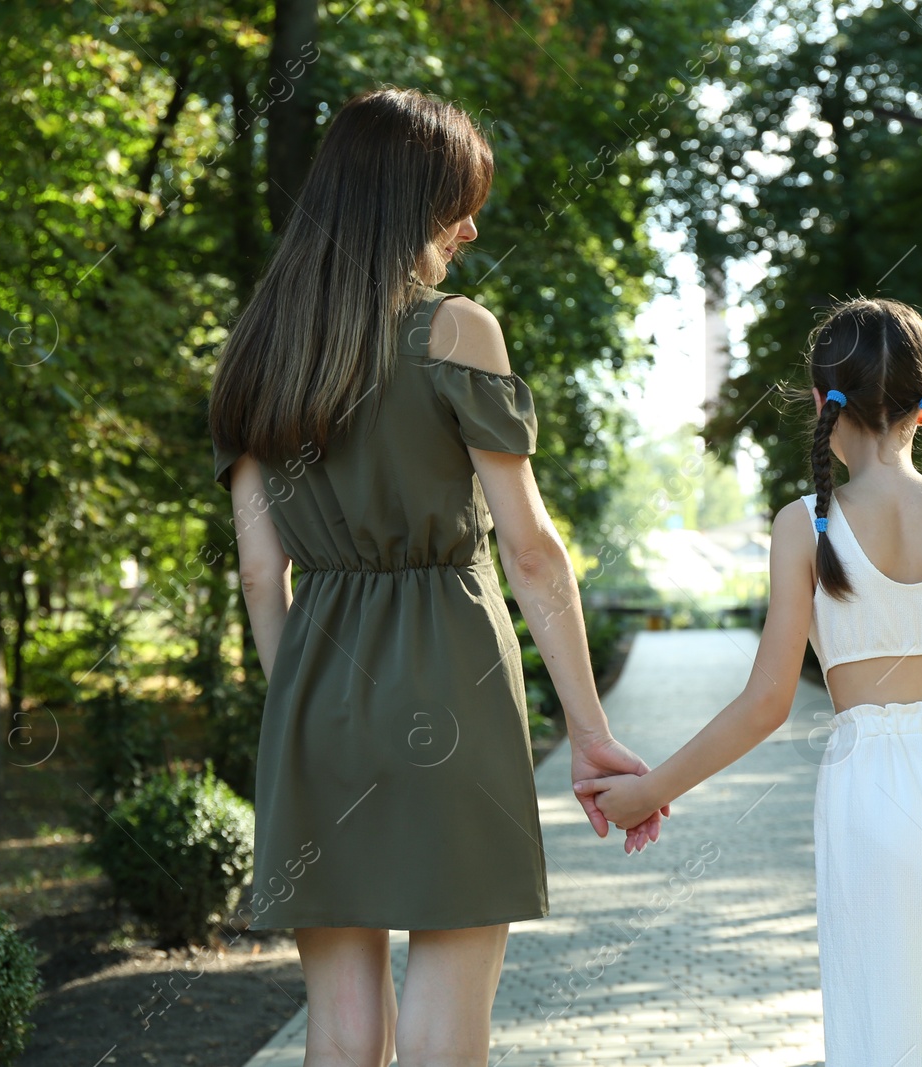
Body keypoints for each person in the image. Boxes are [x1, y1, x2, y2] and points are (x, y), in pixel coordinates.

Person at [210, 87, 662, 1067]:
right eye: (454, 201)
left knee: (338, 1020)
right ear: (400, 202)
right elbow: (532, 551)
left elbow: (258, 571)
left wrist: (300, 708)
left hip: (315, 698)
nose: (468, 225)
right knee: (447, 1010)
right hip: (449, 686)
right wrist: (589, 733)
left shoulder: (255, 352)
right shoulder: (456, 329)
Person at [576, 298, 922, 1066]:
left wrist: (648, 790)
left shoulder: (804, 524)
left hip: (875, 794)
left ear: (821, 401)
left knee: (890, 1039)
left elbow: (766, 701)